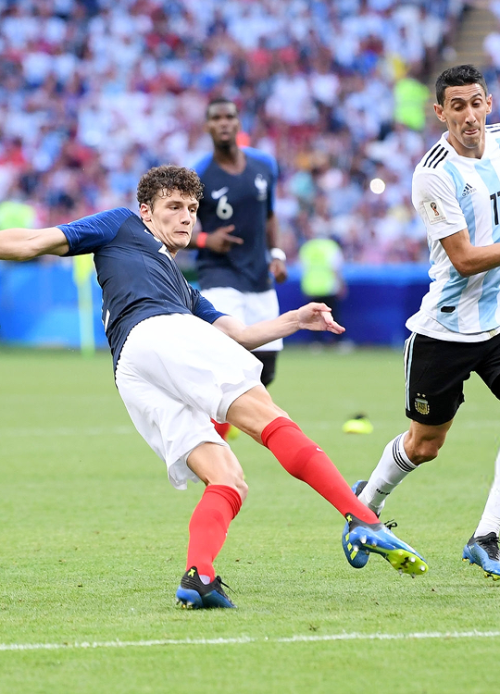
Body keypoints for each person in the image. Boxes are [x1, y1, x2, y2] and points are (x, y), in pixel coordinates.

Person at [0, 164, 428, 610]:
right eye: (173, 207)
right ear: (146, 212)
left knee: (227, 478)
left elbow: (238, 334)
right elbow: (32, 242)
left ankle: (199, 576)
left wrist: (295, 320)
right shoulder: (119, 224)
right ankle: (362, 517)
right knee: (268, 418)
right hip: (158, 335)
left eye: (191, 208)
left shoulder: (183, 288)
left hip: (131, 368)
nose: (186, 217)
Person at [342, 65, 500, 581]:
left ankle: (487, 537)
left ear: (489, 103)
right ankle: (364, 505)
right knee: (425, 445)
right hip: (446, 331)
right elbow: (465, 259)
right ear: (440, 112)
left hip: (497, 325)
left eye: (476, 103)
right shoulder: (433, 172)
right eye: (458, 106)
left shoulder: (498, 142)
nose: (469, 116)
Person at [191, 98, 287, 399]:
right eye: (216, 117)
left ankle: (229, 419)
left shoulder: (264, 165)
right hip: (219, 275)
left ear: (237, 123)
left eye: (228, 116)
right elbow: (175, 229)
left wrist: (277, 254)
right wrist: (207, 240)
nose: (223, 122)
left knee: (266, 368)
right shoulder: (199, 176)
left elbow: (269, 214)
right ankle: (210, 428)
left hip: (258, 275)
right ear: (207, 126)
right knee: (227, 354)